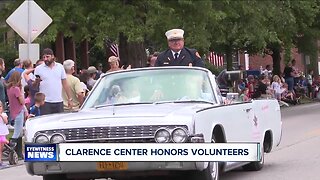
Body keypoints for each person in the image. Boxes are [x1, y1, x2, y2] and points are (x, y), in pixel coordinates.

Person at [34, 48, 73, 115]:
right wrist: (37, 82)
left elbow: (65, 83)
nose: (45, 59)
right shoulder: (38, 69)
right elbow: (34, 86)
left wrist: (70, 98)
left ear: (52, 56)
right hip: (45, 102)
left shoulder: (60, 67)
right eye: (44, 57)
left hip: (58, 100)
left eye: (47, 57)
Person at [6, 71, 25, 148]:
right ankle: (10, 147)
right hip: (19, 111)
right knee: (17, 132)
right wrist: (22, 92)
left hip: (13, 111)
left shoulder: (9, 89)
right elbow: (22, 101)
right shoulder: (16, 89)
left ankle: (18, 151)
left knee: (19, 132)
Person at [0, 101, 9, 168]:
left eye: (0, 106)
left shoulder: (4, 114)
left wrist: (1, 115)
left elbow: (6, 121)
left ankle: (0, 161)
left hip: (2, 133)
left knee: (1, 149)